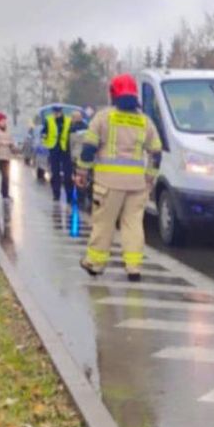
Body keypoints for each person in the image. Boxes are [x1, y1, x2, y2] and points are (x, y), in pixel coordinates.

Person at [76, 74, 161, 281]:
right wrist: (149, 177)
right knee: (133, 225)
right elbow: (156, 153)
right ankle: (134, 267)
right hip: (136, 185)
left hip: (108, 183)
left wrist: (82, 172)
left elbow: (88, 149)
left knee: (104, 223)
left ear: (113, 93)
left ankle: (95, 264)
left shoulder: (103, 117)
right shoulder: (145, 122)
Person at [42, 104, 74, 202]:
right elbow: (44, 133)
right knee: (55, 174)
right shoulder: (49, 120)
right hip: (54, 149)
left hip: (65, 149)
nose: (56, 114)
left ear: (61, 112)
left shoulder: (68, 120)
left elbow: (72, 132)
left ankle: (69, 196)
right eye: (55, 112)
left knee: (68, 174)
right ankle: (56, 195)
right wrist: (45, 142)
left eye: (58, 112)